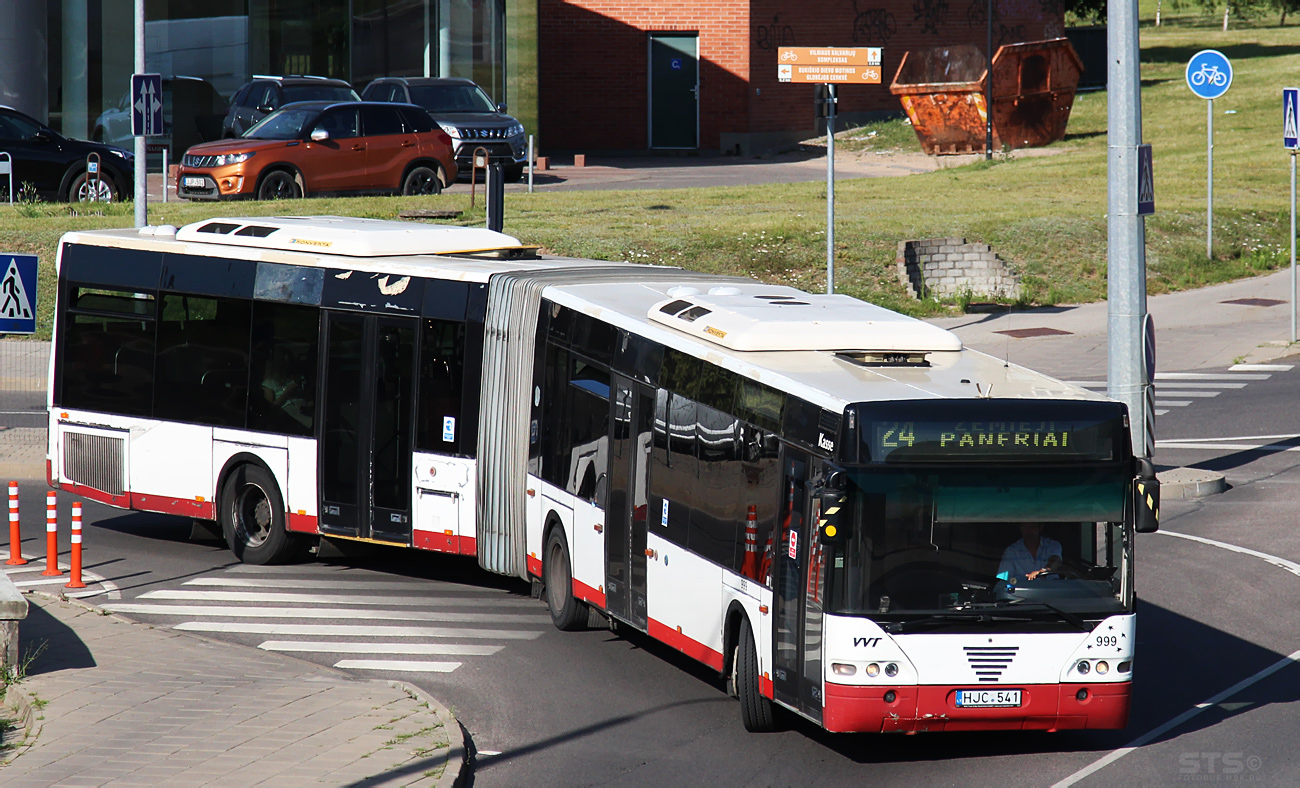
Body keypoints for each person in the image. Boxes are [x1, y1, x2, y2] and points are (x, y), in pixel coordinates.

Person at [997, 523, 1063, 583]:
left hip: (1050, 592)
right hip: (1022, 594)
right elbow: (1004, 582)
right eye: (1025, 527)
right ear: (1020, 529)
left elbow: (1055, 561)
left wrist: (1043, 571)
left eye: (1032, 526)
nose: (1029, 530)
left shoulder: (1053, 545)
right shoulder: (1011, 551)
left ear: (1040, 528)